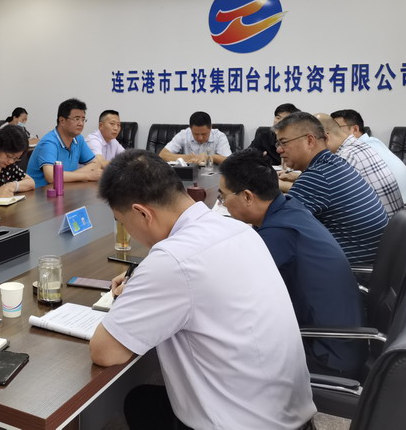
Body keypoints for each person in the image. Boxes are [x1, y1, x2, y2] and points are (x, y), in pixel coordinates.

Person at [89, 150, 315, 430]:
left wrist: (144, 284)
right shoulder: (238, 229)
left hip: (242, 423)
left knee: (140, 403)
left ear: (142, 213)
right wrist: (144, 280)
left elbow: (105, 352)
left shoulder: (172, 261)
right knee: (142, 402)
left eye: (122, 222)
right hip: (285, 412)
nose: (128, 231)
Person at [219, 150, 366, 378]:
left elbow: (236, 292)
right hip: (342, 339)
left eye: (223, 197)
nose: (223, 203)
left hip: (326, 353)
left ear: (247, 197)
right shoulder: (289, 207)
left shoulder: (280, 233)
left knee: (221, 351)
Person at [273, 112, 388, 266]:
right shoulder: (334, 163)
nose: (279, 150)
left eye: (284, 143)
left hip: (352, 271)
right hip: (369, 261)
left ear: (309, 141)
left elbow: (276, 225)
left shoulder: (318, 176)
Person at [315, 114, 403, 218]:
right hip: (396, 219)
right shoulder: (359, 145)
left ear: (325, 137)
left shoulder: (346, 156)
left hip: (384, 223)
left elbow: (322, 194)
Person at [331, 109, 406, 204]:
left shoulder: (356, 150)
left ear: (355, 129)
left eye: (336, 128)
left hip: (401, 207)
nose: (330, 134)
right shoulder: (374, 141)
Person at [26, 98, 102, 188]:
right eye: (77, 119)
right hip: (42, 193)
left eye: (83, 119)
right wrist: (87, 176)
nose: (81, 123)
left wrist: (69, 176)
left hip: (66, 189)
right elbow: (51, 176)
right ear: (62, 121)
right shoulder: (49, 142)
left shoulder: (78, 139)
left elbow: (96, 164)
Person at [159, 111, 231, 165]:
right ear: (190, 128)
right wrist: (187, 158)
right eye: (196, 134)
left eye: (204, 134)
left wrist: (210, 156)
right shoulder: (183, 135)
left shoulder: (219, 136)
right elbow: (162, 155)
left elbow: (229, 161)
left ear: (211, 128)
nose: (200, 138)